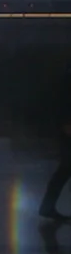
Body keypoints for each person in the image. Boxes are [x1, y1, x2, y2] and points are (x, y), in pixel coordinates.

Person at [40, 58, 71, 220]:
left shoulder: (64, 83)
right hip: (67, 129)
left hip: (66, 129)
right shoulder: (66, 85)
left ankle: (47, 206)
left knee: (64, 171)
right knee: (65, 170)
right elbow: (63, 105)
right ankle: (47, 206)